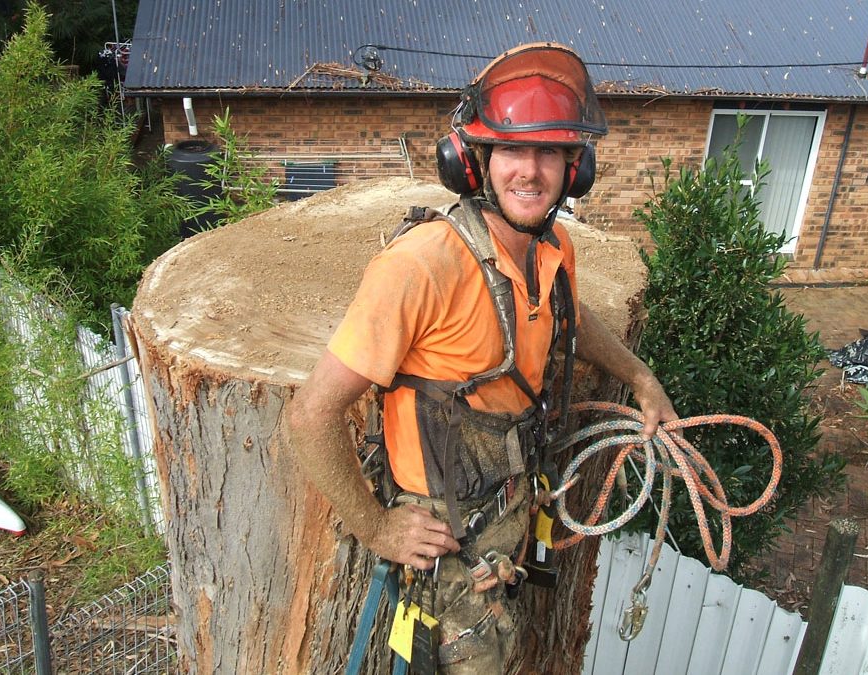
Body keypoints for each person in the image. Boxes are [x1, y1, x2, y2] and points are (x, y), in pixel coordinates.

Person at [287, 42, 677, 673]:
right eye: (512, 150)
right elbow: (310, 415)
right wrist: (376, 527)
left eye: (550, 152)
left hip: (512, 512)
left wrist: (639, 375)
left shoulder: (552, 247)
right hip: (447, 547)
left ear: (575, 168)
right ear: (474, 161)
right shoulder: (421, 266)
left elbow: (565, 314)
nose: (531, 171)